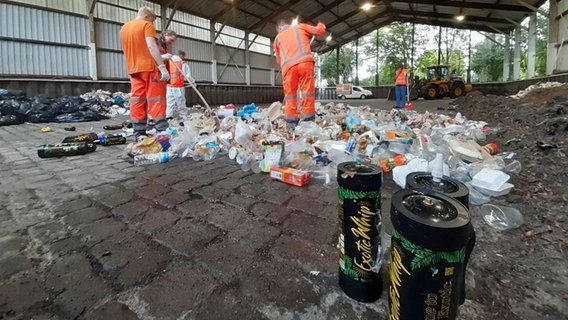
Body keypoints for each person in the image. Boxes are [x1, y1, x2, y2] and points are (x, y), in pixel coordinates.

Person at [119, 7, 171, 141]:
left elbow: (138, 49)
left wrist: (163, 57)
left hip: (133, 68)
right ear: (147, 16)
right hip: (149, 68)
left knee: (137, 99)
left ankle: (139, 133)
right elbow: (151, 46)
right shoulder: (146, 25)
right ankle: (162, 132)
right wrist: (162, 67)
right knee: (156, 98)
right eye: (153, 20)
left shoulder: (124, 28)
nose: (152, 23)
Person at [274, 18, 326, 129]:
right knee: (307, 93)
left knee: (290, 96)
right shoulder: (300, 27)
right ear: (287, 24)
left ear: (278, 29)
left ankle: (291, 124)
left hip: (288, 68)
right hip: (305, 63)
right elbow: (319, 30)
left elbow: (278, 60)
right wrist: (321, 24)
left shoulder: (277, 39)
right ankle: (308, 122)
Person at [166, 50, 193, 120]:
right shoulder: (182, 63)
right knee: (181, 101)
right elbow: (187, 75)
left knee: (169, 102)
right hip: (178, 85)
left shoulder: (168, 62)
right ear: (181, 55)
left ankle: (168, 116)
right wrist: (192, 81)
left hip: (169, 86)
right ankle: (183, 116)